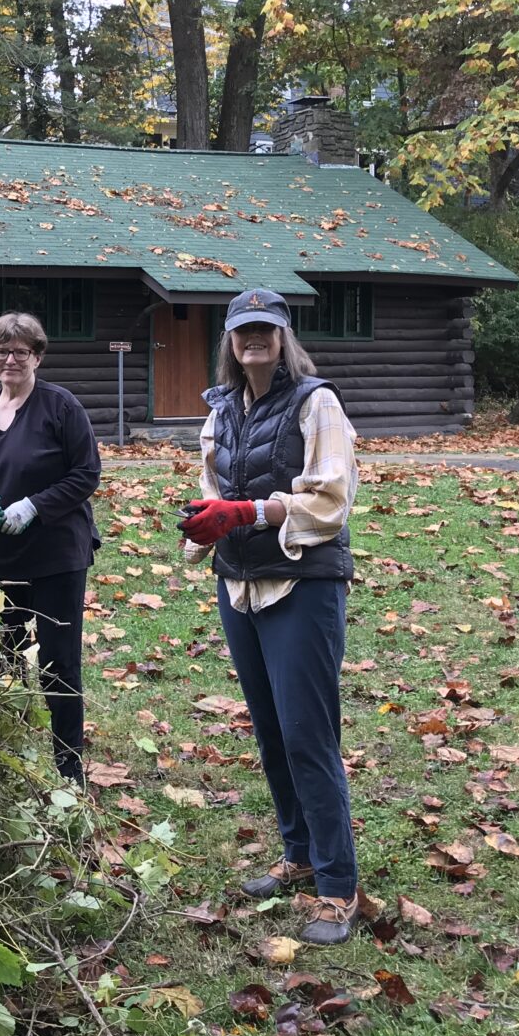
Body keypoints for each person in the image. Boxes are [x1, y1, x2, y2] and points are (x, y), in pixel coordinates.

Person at [178, 288, 360, 944]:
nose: (254, 340)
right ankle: (300, 854)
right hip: (240, 585)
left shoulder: (318, 404)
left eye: (266, 330)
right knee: (273, 733)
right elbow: (213, 485)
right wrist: (206, 519)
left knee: (310, 735)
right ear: (229, 341)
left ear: (284, 337)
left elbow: (331, 500)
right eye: (243, 331)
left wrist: (250, 513)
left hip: (303, 585)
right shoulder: (220, 409)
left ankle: (339, 886)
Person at [0, 312, 101, 784]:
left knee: (58, 662)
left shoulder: (61, 407)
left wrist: (33, 506)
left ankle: (69, 767)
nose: (9, 359)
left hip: (56, 555)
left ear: (37, 356)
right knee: (6, 654)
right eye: (1, 350)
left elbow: (86, 474)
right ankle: (9, 752)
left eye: (20, 351)